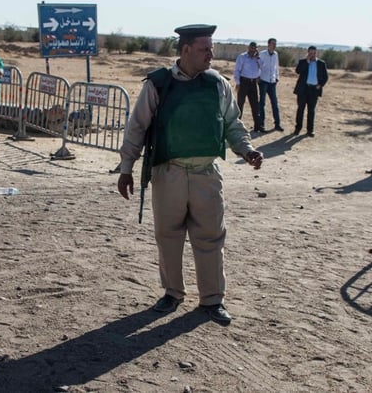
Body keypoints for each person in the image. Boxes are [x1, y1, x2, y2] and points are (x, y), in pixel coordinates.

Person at [117, 24, 264, 325]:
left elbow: (232, 124)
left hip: (206, 175)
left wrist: (246, 150)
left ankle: (212, 300)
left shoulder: (218, 84)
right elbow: (137, 128)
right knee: (168, 236)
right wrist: (126, 168)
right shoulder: (157, 85)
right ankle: (172, 293)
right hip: (168, 173)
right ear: (185, 50)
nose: (211, 54)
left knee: (210, 237)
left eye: (212, 48)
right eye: (204, 49)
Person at [292, 46, 328, 137]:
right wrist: (307, 62)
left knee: (311, 110)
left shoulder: (321, 63)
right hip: (303, 89)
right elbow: (298, 71)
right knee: (300, 109)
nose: (312, 55)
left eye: (314, 53)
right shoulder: (303, 62)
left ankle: (310, 130)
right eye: (311, 53)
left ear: (316, 53)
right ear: (308, 53)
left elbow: (325, 77)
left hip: (314, 90)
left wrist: (320, 85)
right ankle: (298, 128)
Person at [233, 42, 262, 132]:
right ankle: (236, 127)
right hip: (243, 82)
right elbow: (237, 70)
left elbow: (262, 67)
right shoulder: (242, 57)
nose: (253, 50)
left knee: (255, 105)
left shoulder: (257, 58)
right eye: (251, 48)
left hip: (253, 83)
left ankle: (257, 126)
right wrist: (238, 83)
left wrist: (258, 58)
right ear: (248, 48)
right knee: (240, 104)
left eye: (255, 48)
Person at [258, 38, 283, 132]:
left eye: (275, 44)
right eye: (272, 44)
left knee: (275, 103)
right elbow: (258, 66)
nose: (274, 45)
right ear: (268, 44)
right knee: (262, 103)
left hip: (272, 82)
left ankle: (277, 124)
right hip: (263, 81)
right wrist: (258, 77)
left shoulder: (276, 55)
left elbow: (276, 67)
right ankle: (261, 124)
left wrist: (277, 77)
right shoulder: (262, 54)